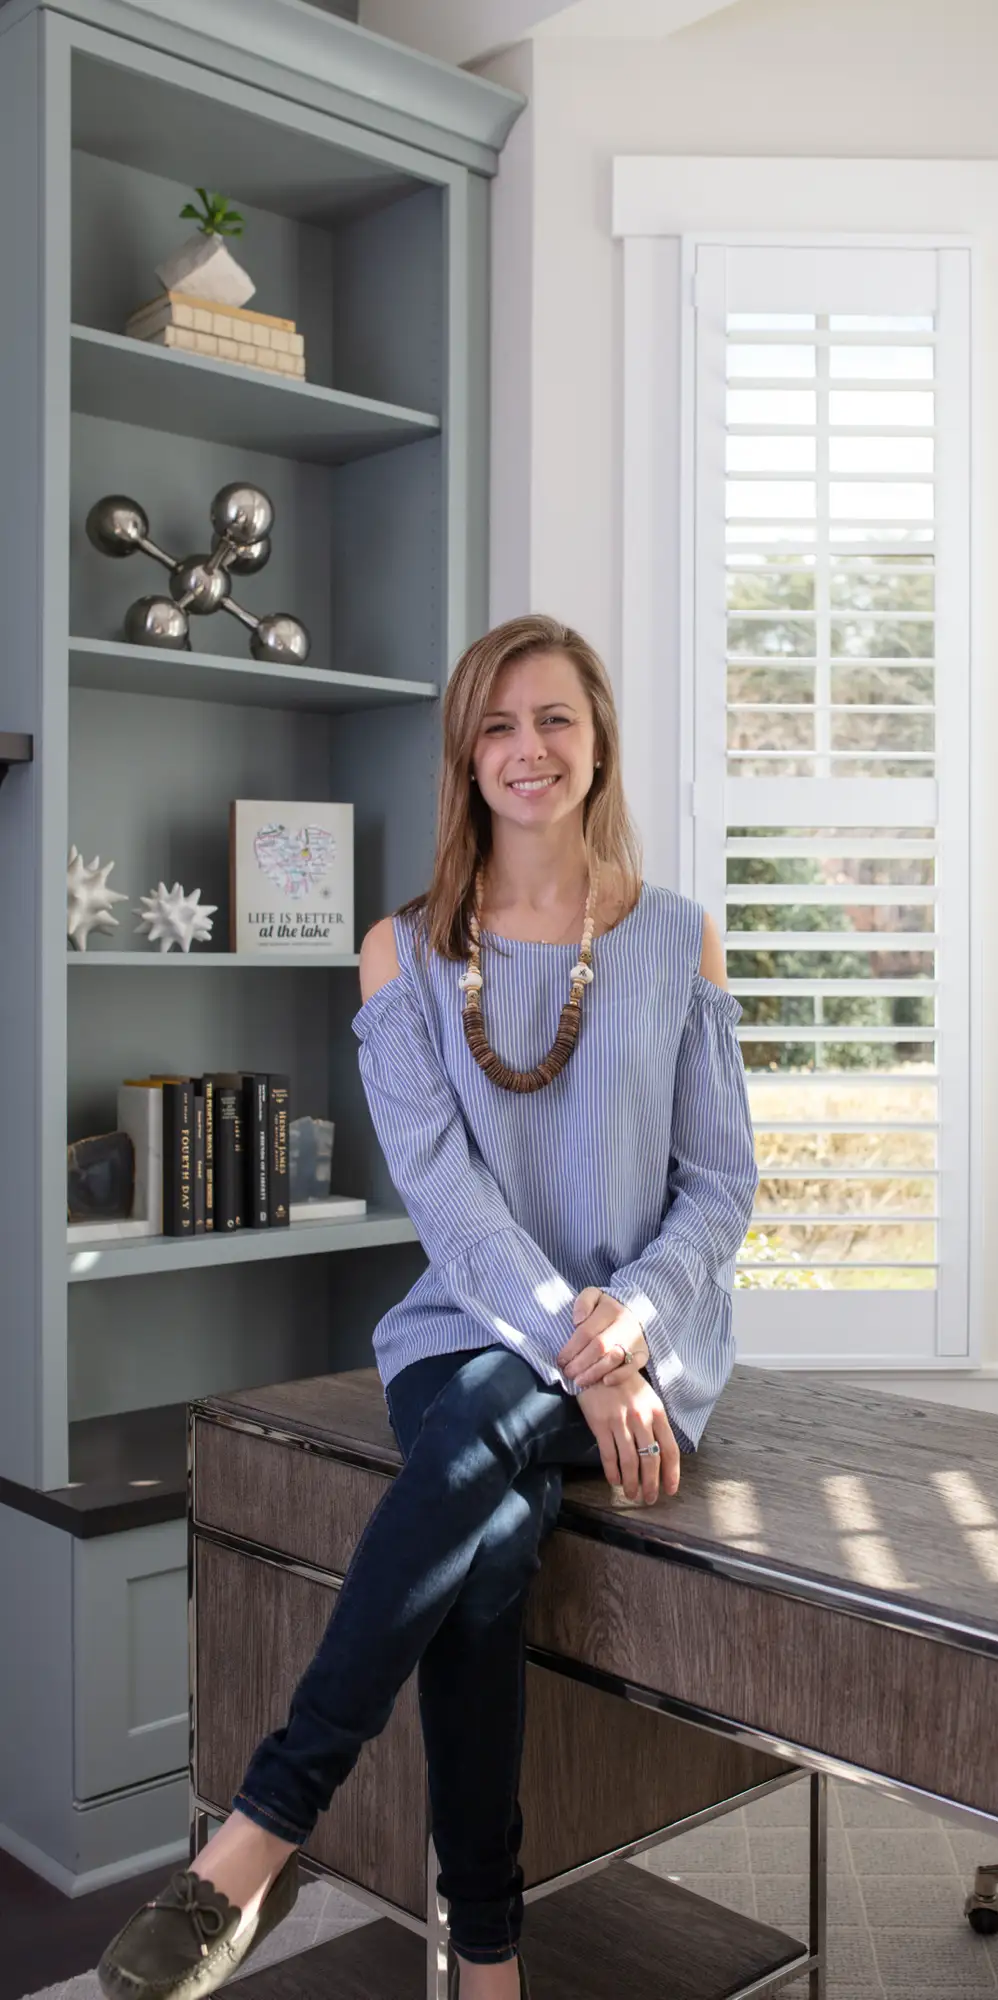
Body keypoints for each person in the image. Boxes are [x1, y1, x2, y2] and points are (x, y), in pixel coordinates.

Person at [98, 613, 759, 2000]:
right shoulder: (401, 955)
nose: (528, 749)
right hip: (472, 1331)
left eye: (555, 720)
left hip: (641, 1353)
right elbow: (453, 1217)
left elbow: (718, 1190)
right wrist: (576, 1361)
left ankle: (264, 1836)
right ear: (465, 752)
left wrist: (623, 1329)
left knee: (477, 1485)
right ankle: (487, 1964)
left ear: (597, 743)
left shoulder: (677, 942)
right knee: (488, 1539)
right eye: (499, 723)